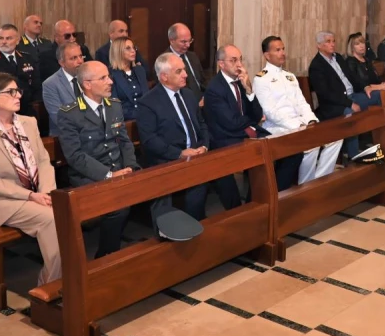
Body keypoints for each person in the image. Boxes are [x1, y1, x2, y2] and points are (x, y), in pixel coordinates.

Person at [0, 73, 62, 285]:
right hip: (5, 201)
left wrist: (45, 193)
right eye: (10, 92)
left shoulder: (29, 123)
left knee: (64, 211)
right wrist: (30, 196)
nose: (18, 95)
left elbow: (43, 161)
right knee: (52, 218)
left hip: (39, 193)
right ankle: (51, 285)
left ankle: (59, 279)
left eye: (17, 91)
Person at [53, 61, 138, 257]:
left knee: (153, 188)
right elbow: (75, 156)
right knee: (119, 207)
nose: (110, 81)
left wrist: (131, 167)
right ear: (87, 84)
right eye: (103, 78)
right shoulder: (70, 114)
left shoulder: (114, 105)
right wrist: (109, 175)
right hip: (89, 176)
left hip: (119, 170)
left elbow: (124, 142)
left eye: (108, 76)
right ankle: (106, 256)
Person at [253, 36, 342, 187]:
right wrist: (298, 126)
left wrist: (311, 120)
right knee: (311, 145)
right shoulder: (261, 79)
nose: (282, 53)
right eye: (277, 50)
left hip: (301, 123)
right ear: (267, 55)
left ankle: (319, 180)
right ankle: (306, 185)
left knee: (336, 137)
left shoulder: (289, 76)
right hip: (278, 127)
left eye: (283, 49)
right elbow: (271, 112)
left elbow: (302, 103)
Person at [134, 53, 211, 223]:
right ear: (164, 77)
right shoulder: (148, 102)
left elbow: (202, 124)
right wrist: (179, 153)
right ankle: (167, 233)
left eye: (184, 69)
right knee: (164, 203)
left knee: (197, 197)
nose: (185, 74)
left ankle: (197, 224)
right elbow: (150, 139)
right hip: (166, 160)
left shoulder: (189, 95)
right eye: (179, 71)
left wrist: (204, 145)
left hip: (196, 156)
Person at [204, 44, 263, 209]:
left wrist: (248, 88)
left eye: (240, 60)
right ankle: (237, 210)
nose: (239, 65)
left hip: (242, 132)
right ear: (221, 64)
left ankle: (255, 202)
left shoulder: (241, 82)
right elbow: (231, 123)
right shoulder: (214, 89)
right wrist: (250, 121)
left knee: (280, 152)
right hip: (225, 137)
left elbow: (258, 114)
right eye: (233, 60)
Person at [308, 31, 373, 160]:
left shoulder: (338, 57)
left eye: (333, 41)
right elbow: (326, 94)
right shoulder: (317, 66)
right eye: (328, 41)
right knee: (350, 113)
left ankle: (377, 143)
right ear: (319, 45)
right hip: (334, 105)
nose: (332, 44)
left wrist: (365, 87)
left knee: (379, 96)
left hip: (352, 95)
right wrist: (349, 103)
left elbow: (352, 76)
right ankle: (353, 155)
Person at [0, 25, 38, 116]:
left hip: (27, 108)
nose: (4, 42)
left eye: (8, 38)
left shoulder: (27, 57)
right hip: (4, 110)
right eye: (1, 38)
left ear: (17, 40)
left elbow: (36, 83)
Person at [341, 32, 385, 101]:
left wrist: (382, 84)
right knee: (383, 95)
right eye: (357, 44)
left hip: (373, 90)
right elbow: (357, 84)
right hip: (360, 93)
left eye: (363, 43)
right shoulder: (350, 62)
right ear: (352, 48)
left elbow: (375, 78)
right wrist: (377, 87)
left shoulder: (366, 60)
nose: (361, 46)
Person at [42, 41, 86, 120]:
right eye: (74, 58)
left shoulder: (89, 76)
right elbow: (58, 117)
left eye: (80, 56)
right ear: (62, 63)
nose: (80, 61)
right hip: (68, 127)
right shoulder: (50, 84)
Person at [161, 23, 204, 97]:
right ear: (172, 41)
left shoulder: (193, 56)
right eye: (184, 42)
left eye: (190, 40)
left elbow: (202, 80)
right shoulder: (164, 62)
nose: (188, 45)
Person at [108, 38, 148, 114]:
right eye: (128, 48)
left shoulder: (140, 70)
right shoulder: (111, 74)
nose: (133, 51)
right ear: (118, 51)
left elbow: (147, 96)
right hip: (125, 117)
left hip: (145, 115)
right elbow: (114, 105)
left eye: (133, 47)